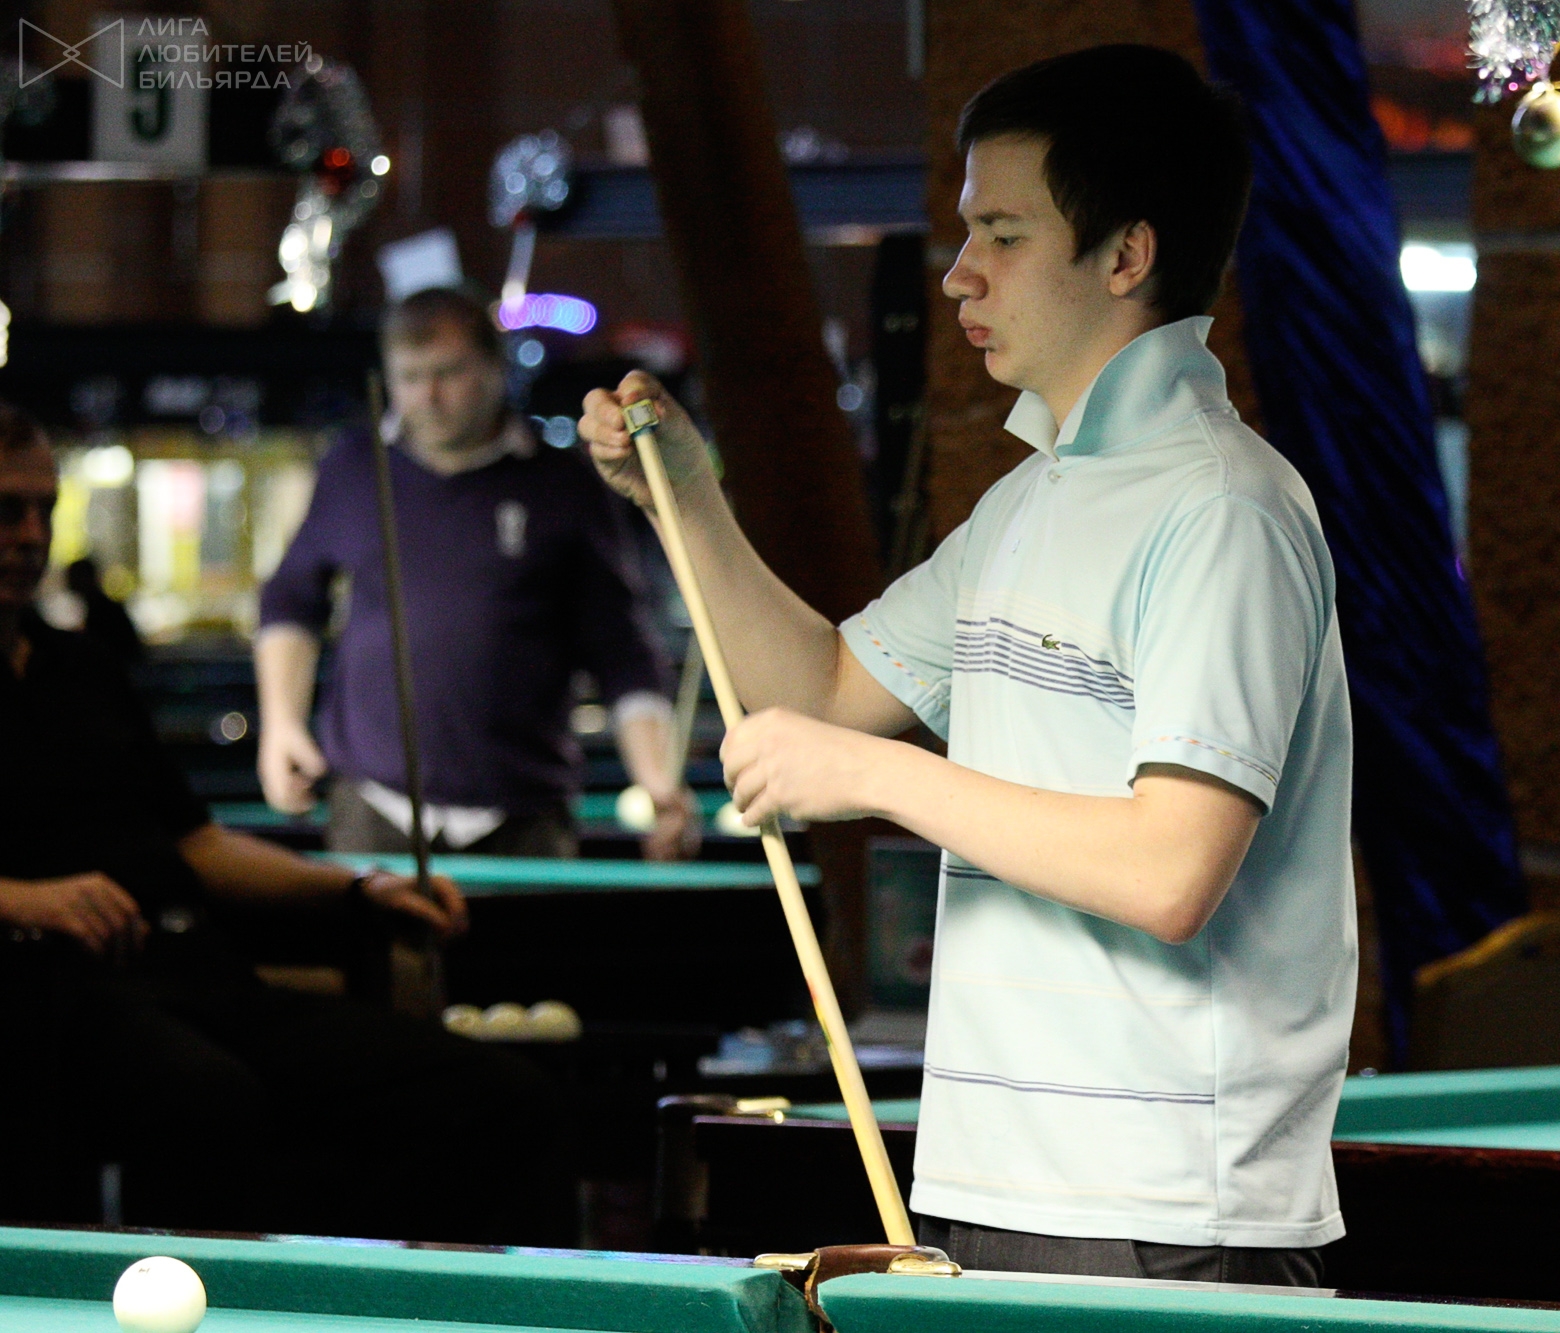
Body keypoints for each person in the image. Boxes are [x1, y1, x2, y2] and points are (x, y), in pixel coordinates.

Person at [583, 45, 1353, 1285]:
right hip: (988, 1181)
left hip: (1163, 1213)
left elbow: (1170, 870)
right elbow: (822, 692)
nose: (958, 273)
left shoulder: (1223, 509)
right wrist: (683, 500)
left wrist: (874, 779)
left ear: (1124, 255)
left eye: (1000, 233)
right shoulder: (1029, 501)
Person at [0, 402, 573, 1244]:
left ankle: (396, 1298)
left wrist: (358, 888)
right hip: (48, 1006)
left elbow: (197, 843)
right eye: (6, 510)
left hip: (194, 976)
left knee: (501, 1095)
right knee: (207, 1099)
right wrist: (22, 898)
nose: (29, 534)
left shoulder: (80, 663)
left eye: (42, 509)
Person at [256, 286, 700, 860]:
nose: (427, 396)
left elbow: (621, 649)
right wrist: (281, 725)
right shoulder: (354, 467)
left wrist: (658, 779)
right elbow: (291, 599)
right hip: (373, 810)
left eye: (448, 373)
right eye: (409, 377)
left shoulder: (563, 484)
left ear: (495, 368)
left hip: (524, 817)